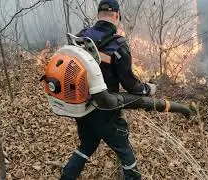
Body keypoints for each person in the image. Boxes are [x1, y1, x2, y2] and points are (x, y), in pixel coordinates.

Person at [60, 0, 156, 179]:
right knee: (123, 149)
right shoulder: (118, 44)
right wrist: (147, 89)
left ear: (98, 15)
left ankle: (66, 176)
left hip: (81, 106)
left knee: (87, 144)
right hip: (106, 109)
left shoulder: (81, 36)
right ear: (117, 16)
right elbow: (130, 85)